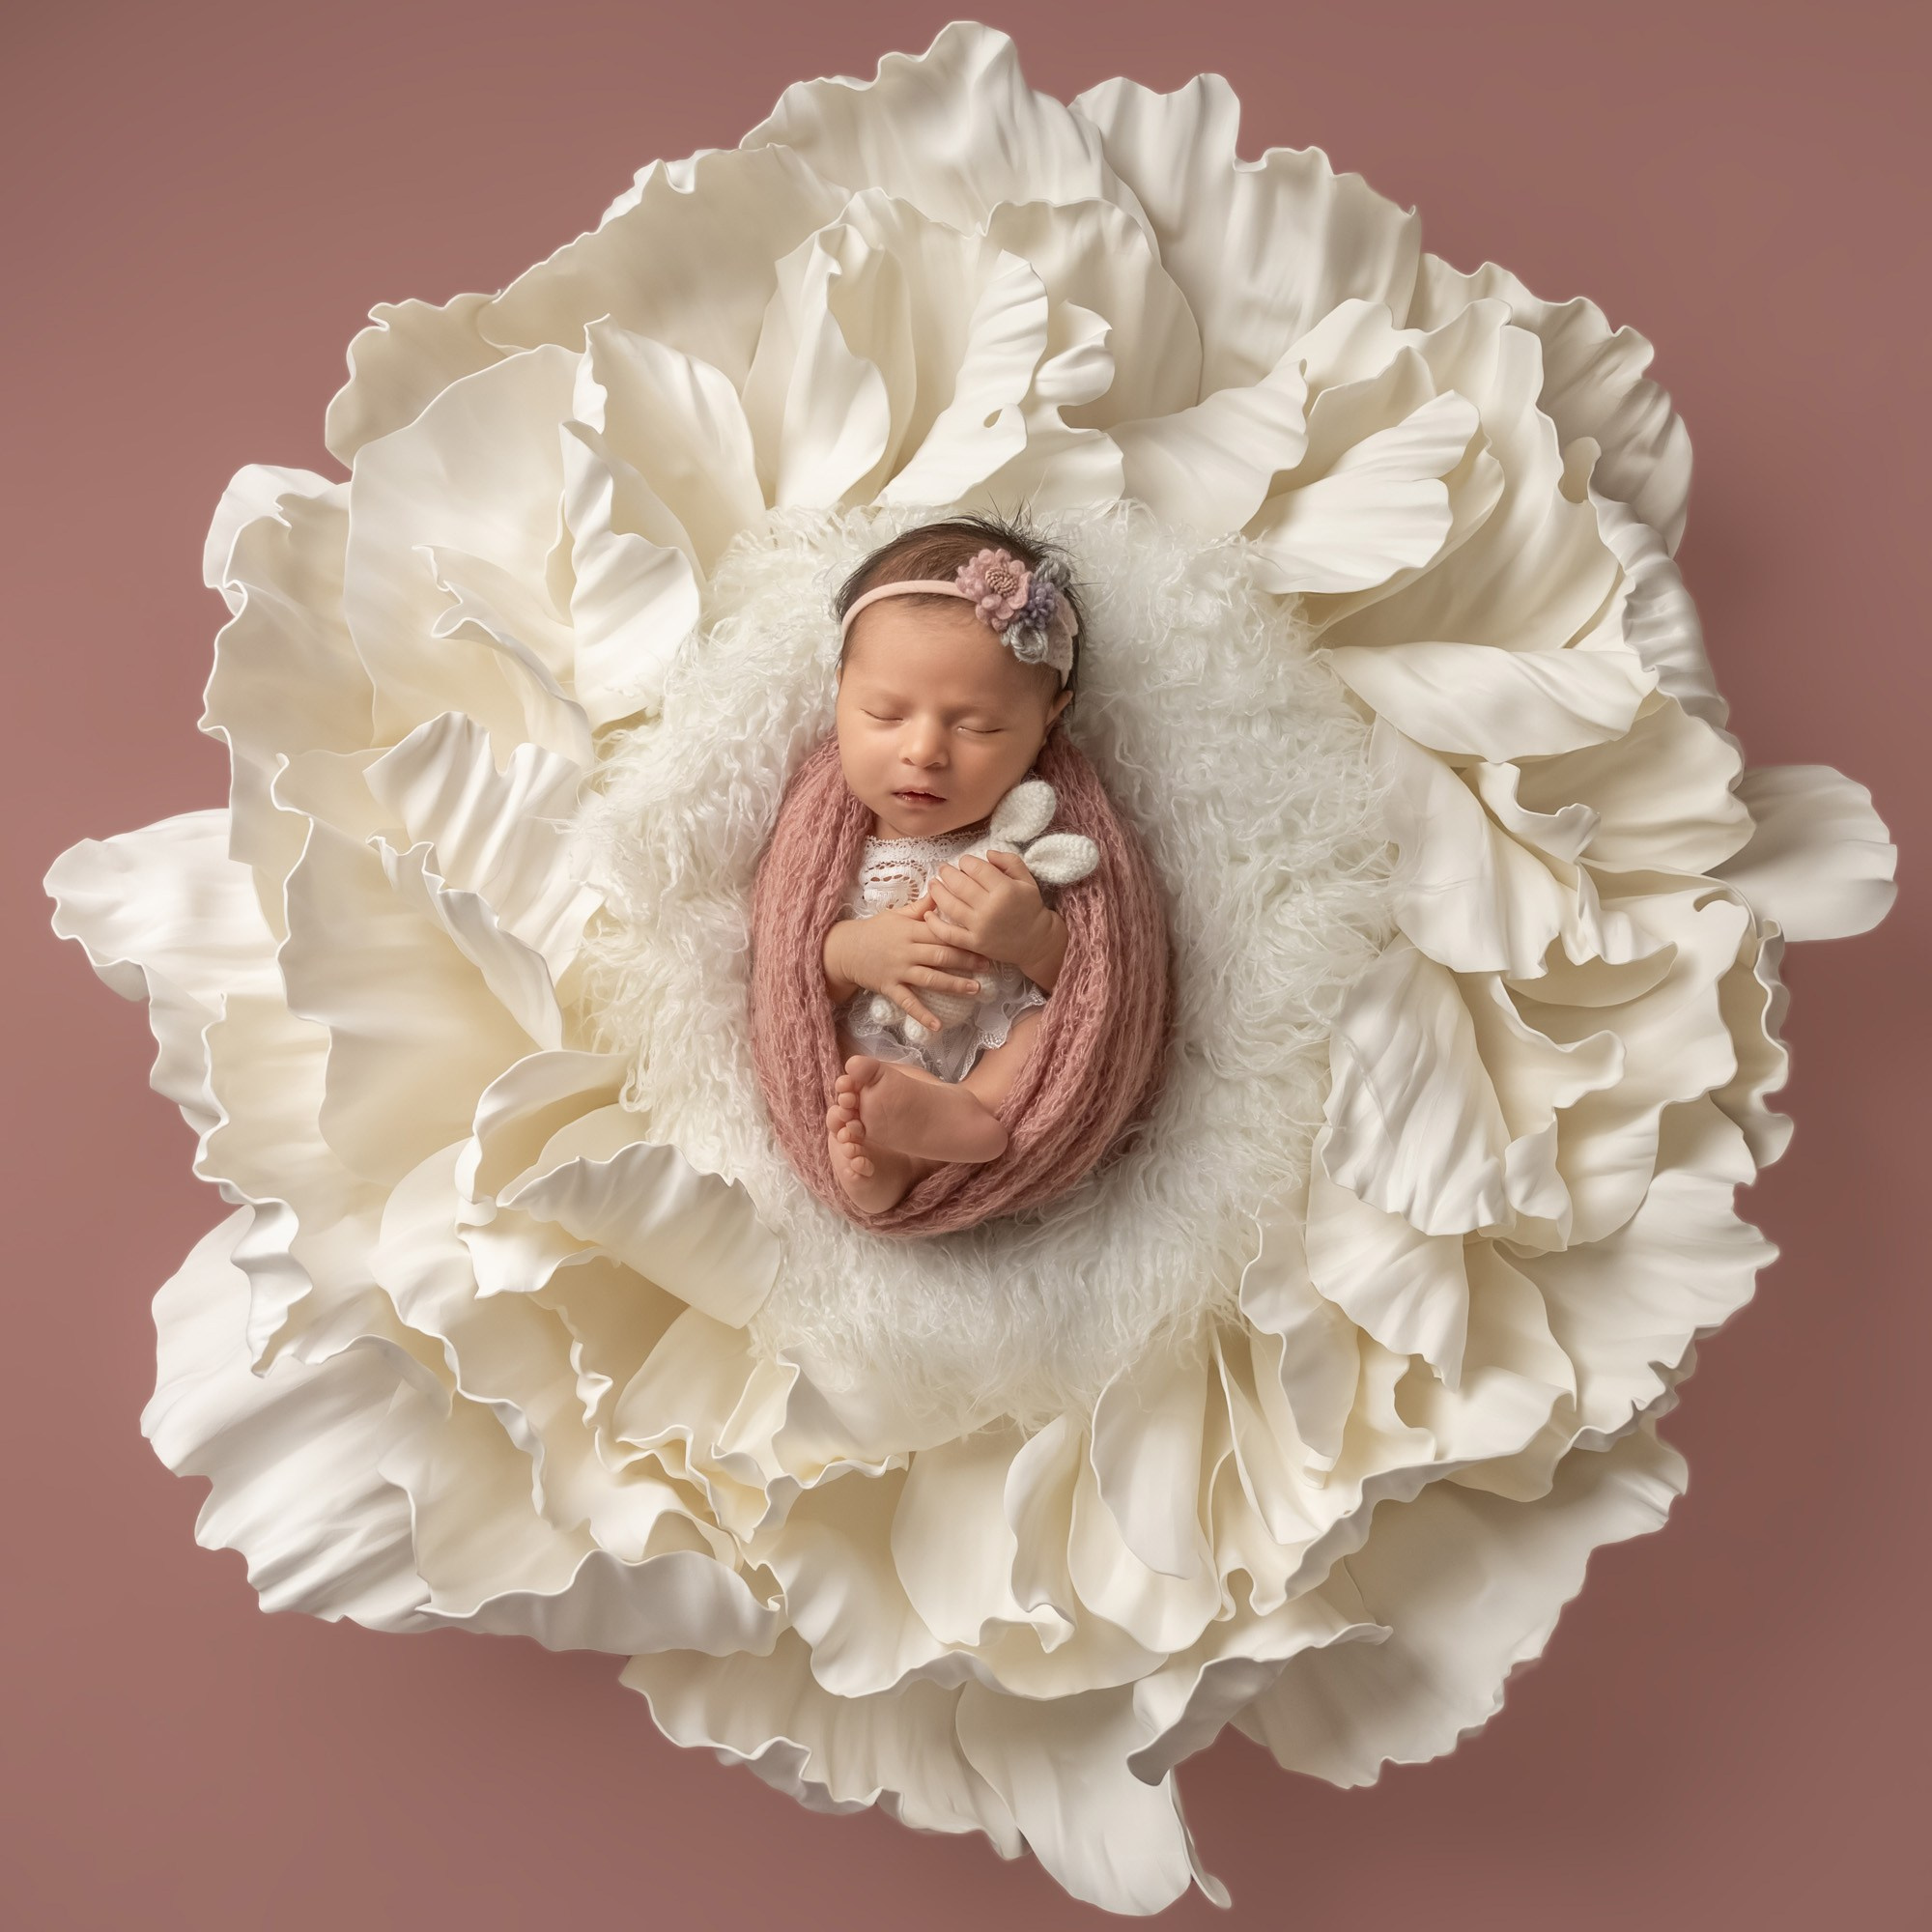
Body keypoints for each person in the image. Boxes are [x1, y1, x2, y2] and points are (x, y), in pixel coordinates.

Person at [817, 516, 1086, 1213]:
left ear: (1047, 723)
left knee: (1038, 1036)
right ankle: (897, 1153)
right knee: (846, 1067)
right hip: (879, 1030)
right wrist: (854, 952)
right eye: (884, 713)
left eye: (978, 728)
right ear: (841, 690)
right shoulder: (824, 838)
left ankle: (973, 1112)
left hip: (992, 1020)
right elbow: (784, 966)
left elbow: (1094, 983)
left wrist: (1034, 941)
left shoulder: (1039, 823)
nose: (925, 751)